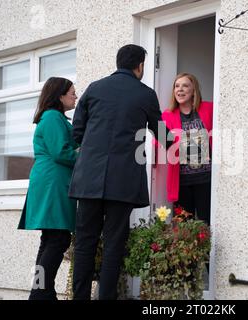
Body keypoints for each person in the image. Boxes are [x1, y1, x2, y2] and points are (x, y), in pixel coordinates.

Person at [69, 44, 172, 300]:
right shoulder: (145, 94)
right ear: (139, 66)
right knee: (114, 244)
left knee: (84, 243)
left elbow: (77, 132)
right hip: (123, 182)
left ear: (118, 63)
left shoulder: (94, 88)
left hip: (89, 180)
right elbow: (161, 134)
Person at [18, 77, 79, 300]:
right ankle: (41, 293)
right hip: (53, 183)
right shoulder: (53, 116)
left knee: (50, 239)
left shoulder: (54, 117)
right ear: (60, 95)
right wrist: (86, 156)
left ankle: (40, 291)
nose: (75, 96)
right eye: (72, 92)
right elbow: (61, 152)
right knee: (58, 239)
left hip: (50, 182)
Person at [161, 73, 213, 225]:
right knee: (182, 226)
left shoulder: (209, 109)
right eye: (177, 86)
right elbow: (159, 143)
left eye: (185, 86)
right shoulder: (167, 115)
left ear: (193, 91)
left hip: (206, 179)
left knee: (206, 223)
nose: (180, 90)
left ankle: (206, 250)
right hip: (182, 181)